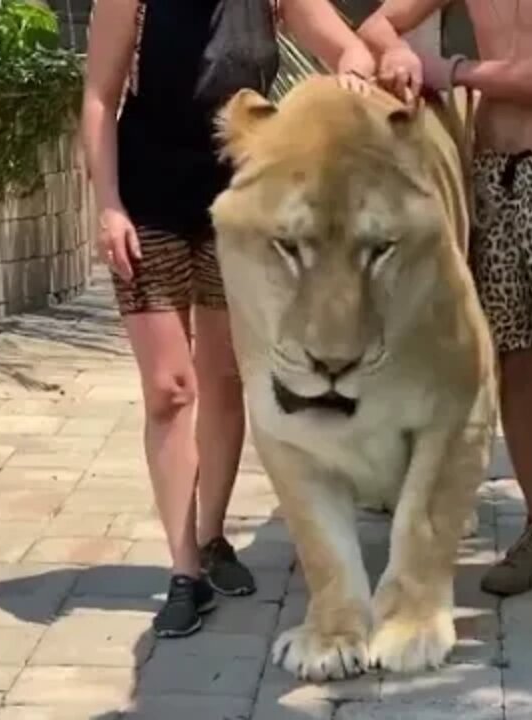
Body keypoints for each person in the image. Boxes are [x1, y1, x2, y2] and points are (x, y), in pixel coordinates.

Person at [81, 0, 377, 638]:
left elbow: (350, 49)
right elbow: (100, 97)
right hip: (148, 201)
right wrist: (108, 205)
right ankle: (184, 569)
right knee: (169, 391)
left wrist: (352, 77)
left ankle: (213, 537)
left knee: (222, 379)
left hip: (240, 207)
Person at [357, 0, 532, 642]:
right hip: (490, 178)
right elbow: (375, 23)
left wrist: (455, 70)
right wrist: (394, 53)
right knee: (511, 369)